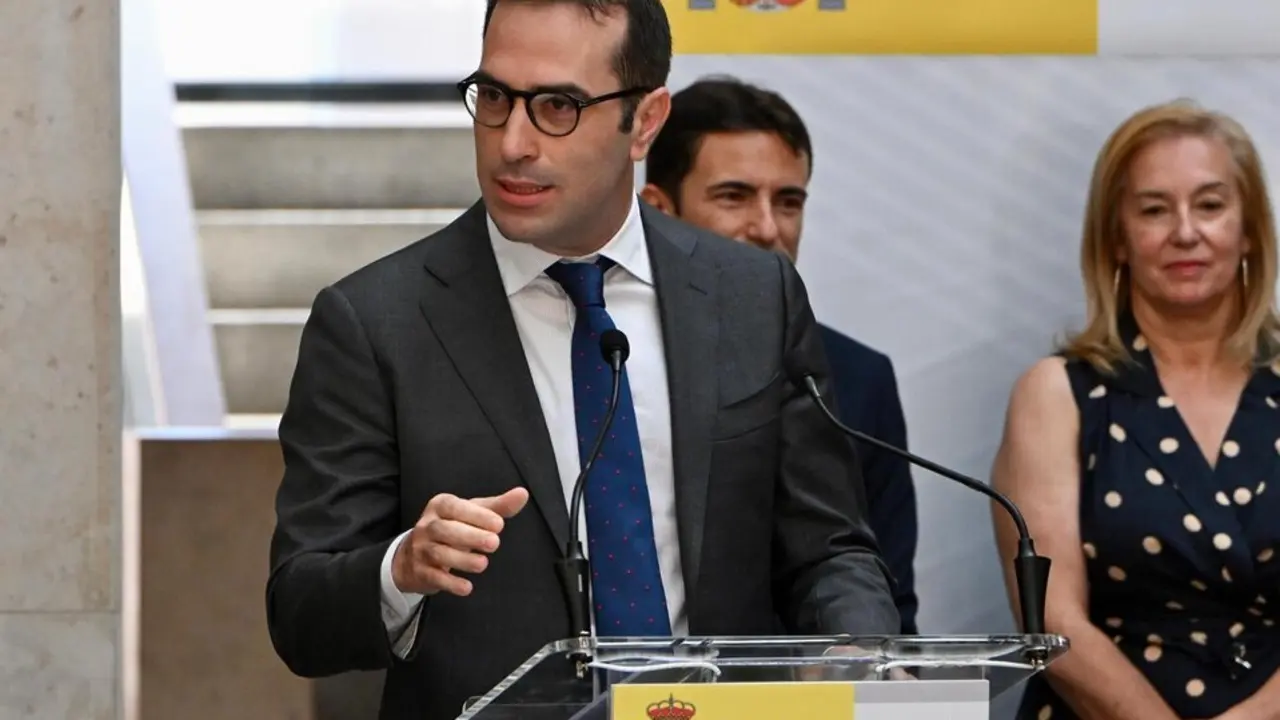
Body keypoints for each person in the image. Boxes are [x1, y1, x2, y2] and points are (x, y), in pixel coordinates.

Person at [264, 1, 900, 718]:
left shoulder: (753, 296)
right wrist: (400, 568)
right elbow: (300, 613)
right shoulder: (376, 323)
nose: (513, 143)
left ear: (646, 121)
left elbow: (829, 549)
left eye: (558, 107)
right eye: (495, 97)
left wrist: (861, 653)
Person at [991, 99, 1280, 720]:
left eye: (1210, 205)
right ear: (1117, 239)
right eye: (1154, 209)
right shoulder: (1055, 395)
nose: (1185, 232)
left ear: (1250, 229)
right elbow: (1053, 622)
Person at [639, 76, 919, 635]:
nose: (767, 228)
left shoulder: (857, 378)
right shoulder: (612, 357)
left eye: (788, 202)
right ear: (659, 210)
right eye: (733, 196)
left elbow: (888, 598)